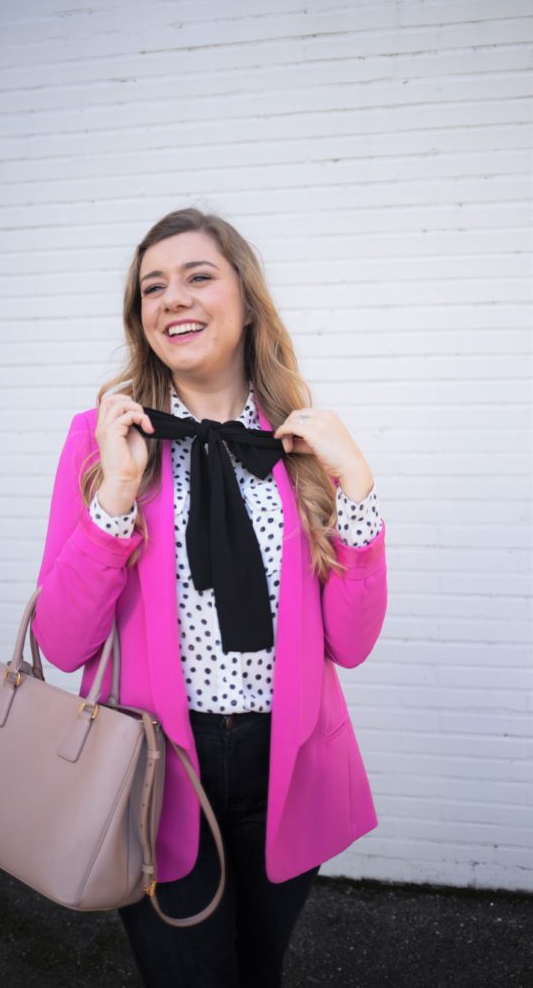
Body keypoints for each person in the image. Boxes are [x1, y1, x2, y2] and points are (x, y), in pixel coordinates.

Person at [31, 207, 388, 988]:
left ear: (246, 299)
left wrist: (355, 486)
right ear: (141, 319)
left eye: (198, 276)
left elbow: (350, 643)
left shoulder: (302, 447)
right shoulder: (100, 443)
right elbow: (63, 643)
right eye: (151, 287)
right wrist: (118, 494)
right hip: (154, 767)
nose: (172, 298)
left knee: (259, 972)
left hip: (287, 763)